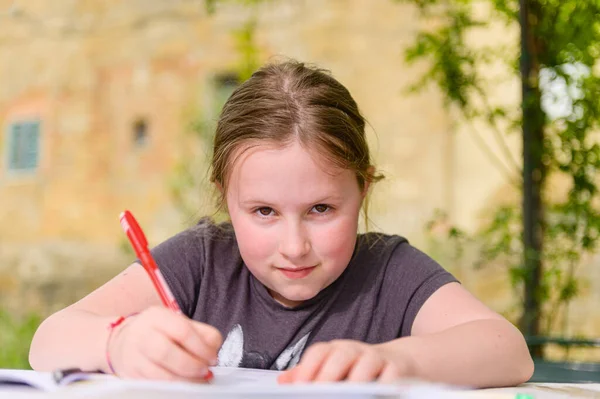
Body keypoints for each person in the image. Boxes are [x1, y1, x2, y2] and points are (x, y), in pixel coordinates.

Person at [29, 60, 534, 387]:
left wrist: (399, 363)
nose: (294, 246)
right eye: (264, 212)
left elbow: (508, 351)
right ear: (227, 199)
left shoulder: (389, 272)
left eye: (321, 210)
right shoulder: (203, 259)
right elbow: (48, 340)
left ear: (364, 190)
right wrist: (118, 342)